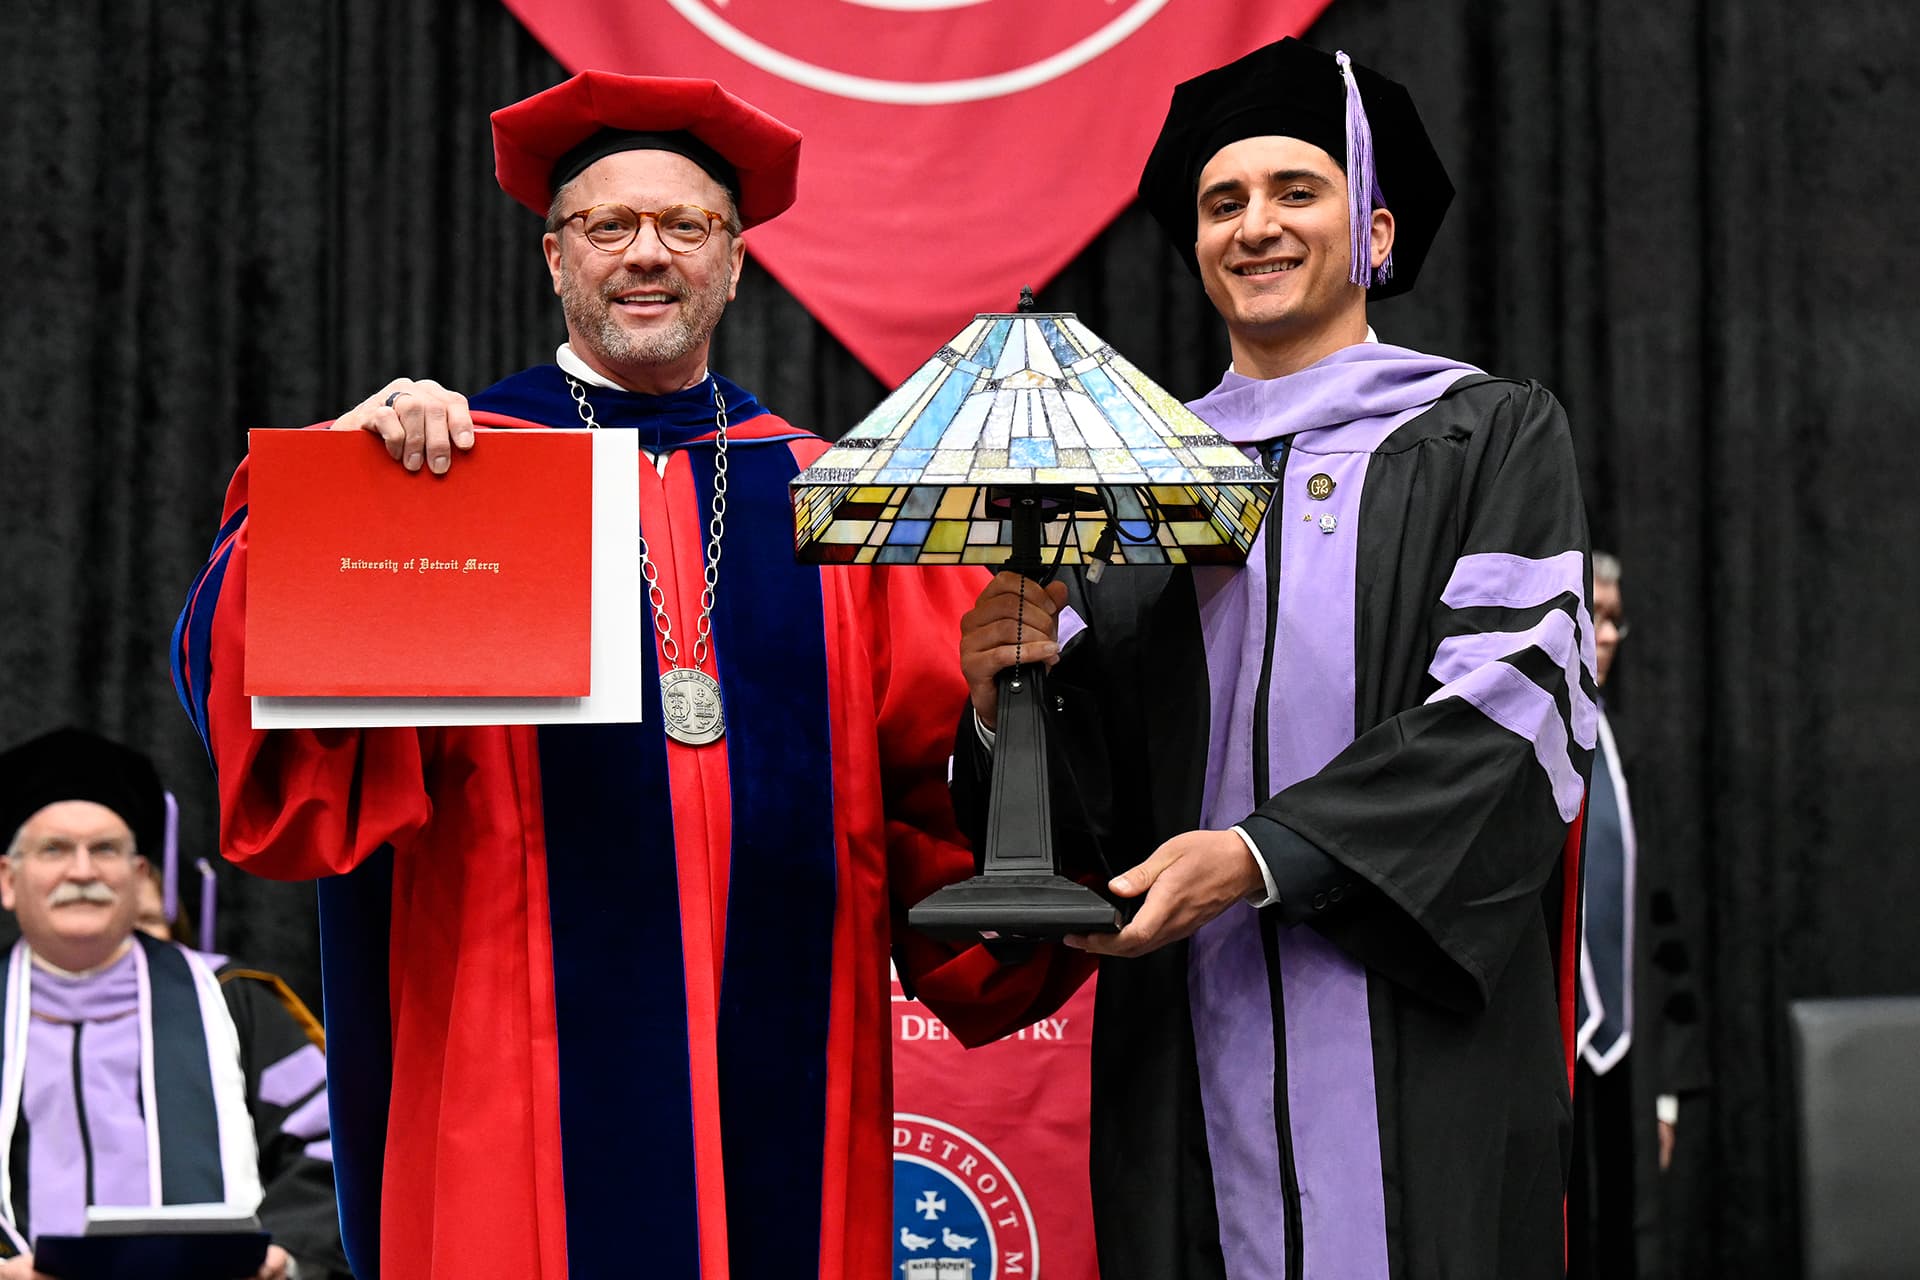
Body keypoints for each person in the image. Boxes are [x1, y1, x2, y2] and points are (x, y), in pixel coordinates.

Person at [171, 72, 1075, 1280]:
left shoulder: (834, 500)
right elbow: (253, 700)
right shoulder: (448, 470)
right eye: (609, 225)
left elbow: (938, 793)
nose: (647, 255)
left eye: (685, 226)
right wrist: (333, 497)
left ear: (736, 262)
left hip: (784, 1055)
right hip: (512, 1070)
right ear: (554, 258)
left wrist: (998, 710)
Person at [955, 37, 1593, 1279]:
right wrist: (1003, 708)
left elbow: (1510, 716)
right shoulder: (1131, 477)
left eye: (1297, 191)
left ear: (1378, 230)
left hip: (1418, 1045)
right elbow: (1086, 818)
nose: (1256, 225)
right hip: (1186, 1055)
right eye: (1222, 202)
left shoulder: (1484, 434)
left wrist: (1257, 857)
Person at [0, 728, 347, 1280]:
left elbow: (332, 1147)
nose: (83, 872)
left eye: (106, 849)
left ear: (139, 878)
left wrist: (286, 1256)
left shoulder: (234, 1002)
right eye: (55, 849)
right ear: (8, 880)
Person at [1567, 552, 1710, 1280]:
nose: (1611, 634)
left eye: (1618, 620)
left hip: (1627, 1065)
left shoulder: (1630, 760)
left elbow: (1660, 938)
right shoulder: (1511, 757)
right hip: (1549, 1065)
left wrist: (1666, 1093)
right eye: (1596, 615)